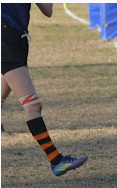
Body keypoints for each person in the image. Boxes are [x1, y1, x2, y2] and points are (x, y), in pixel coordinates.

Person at [1, 3, 87, 176]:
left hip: (19, 38)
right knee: (33, 105)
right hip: (4, 38)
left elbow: (48, 11)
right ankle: (56, 160)